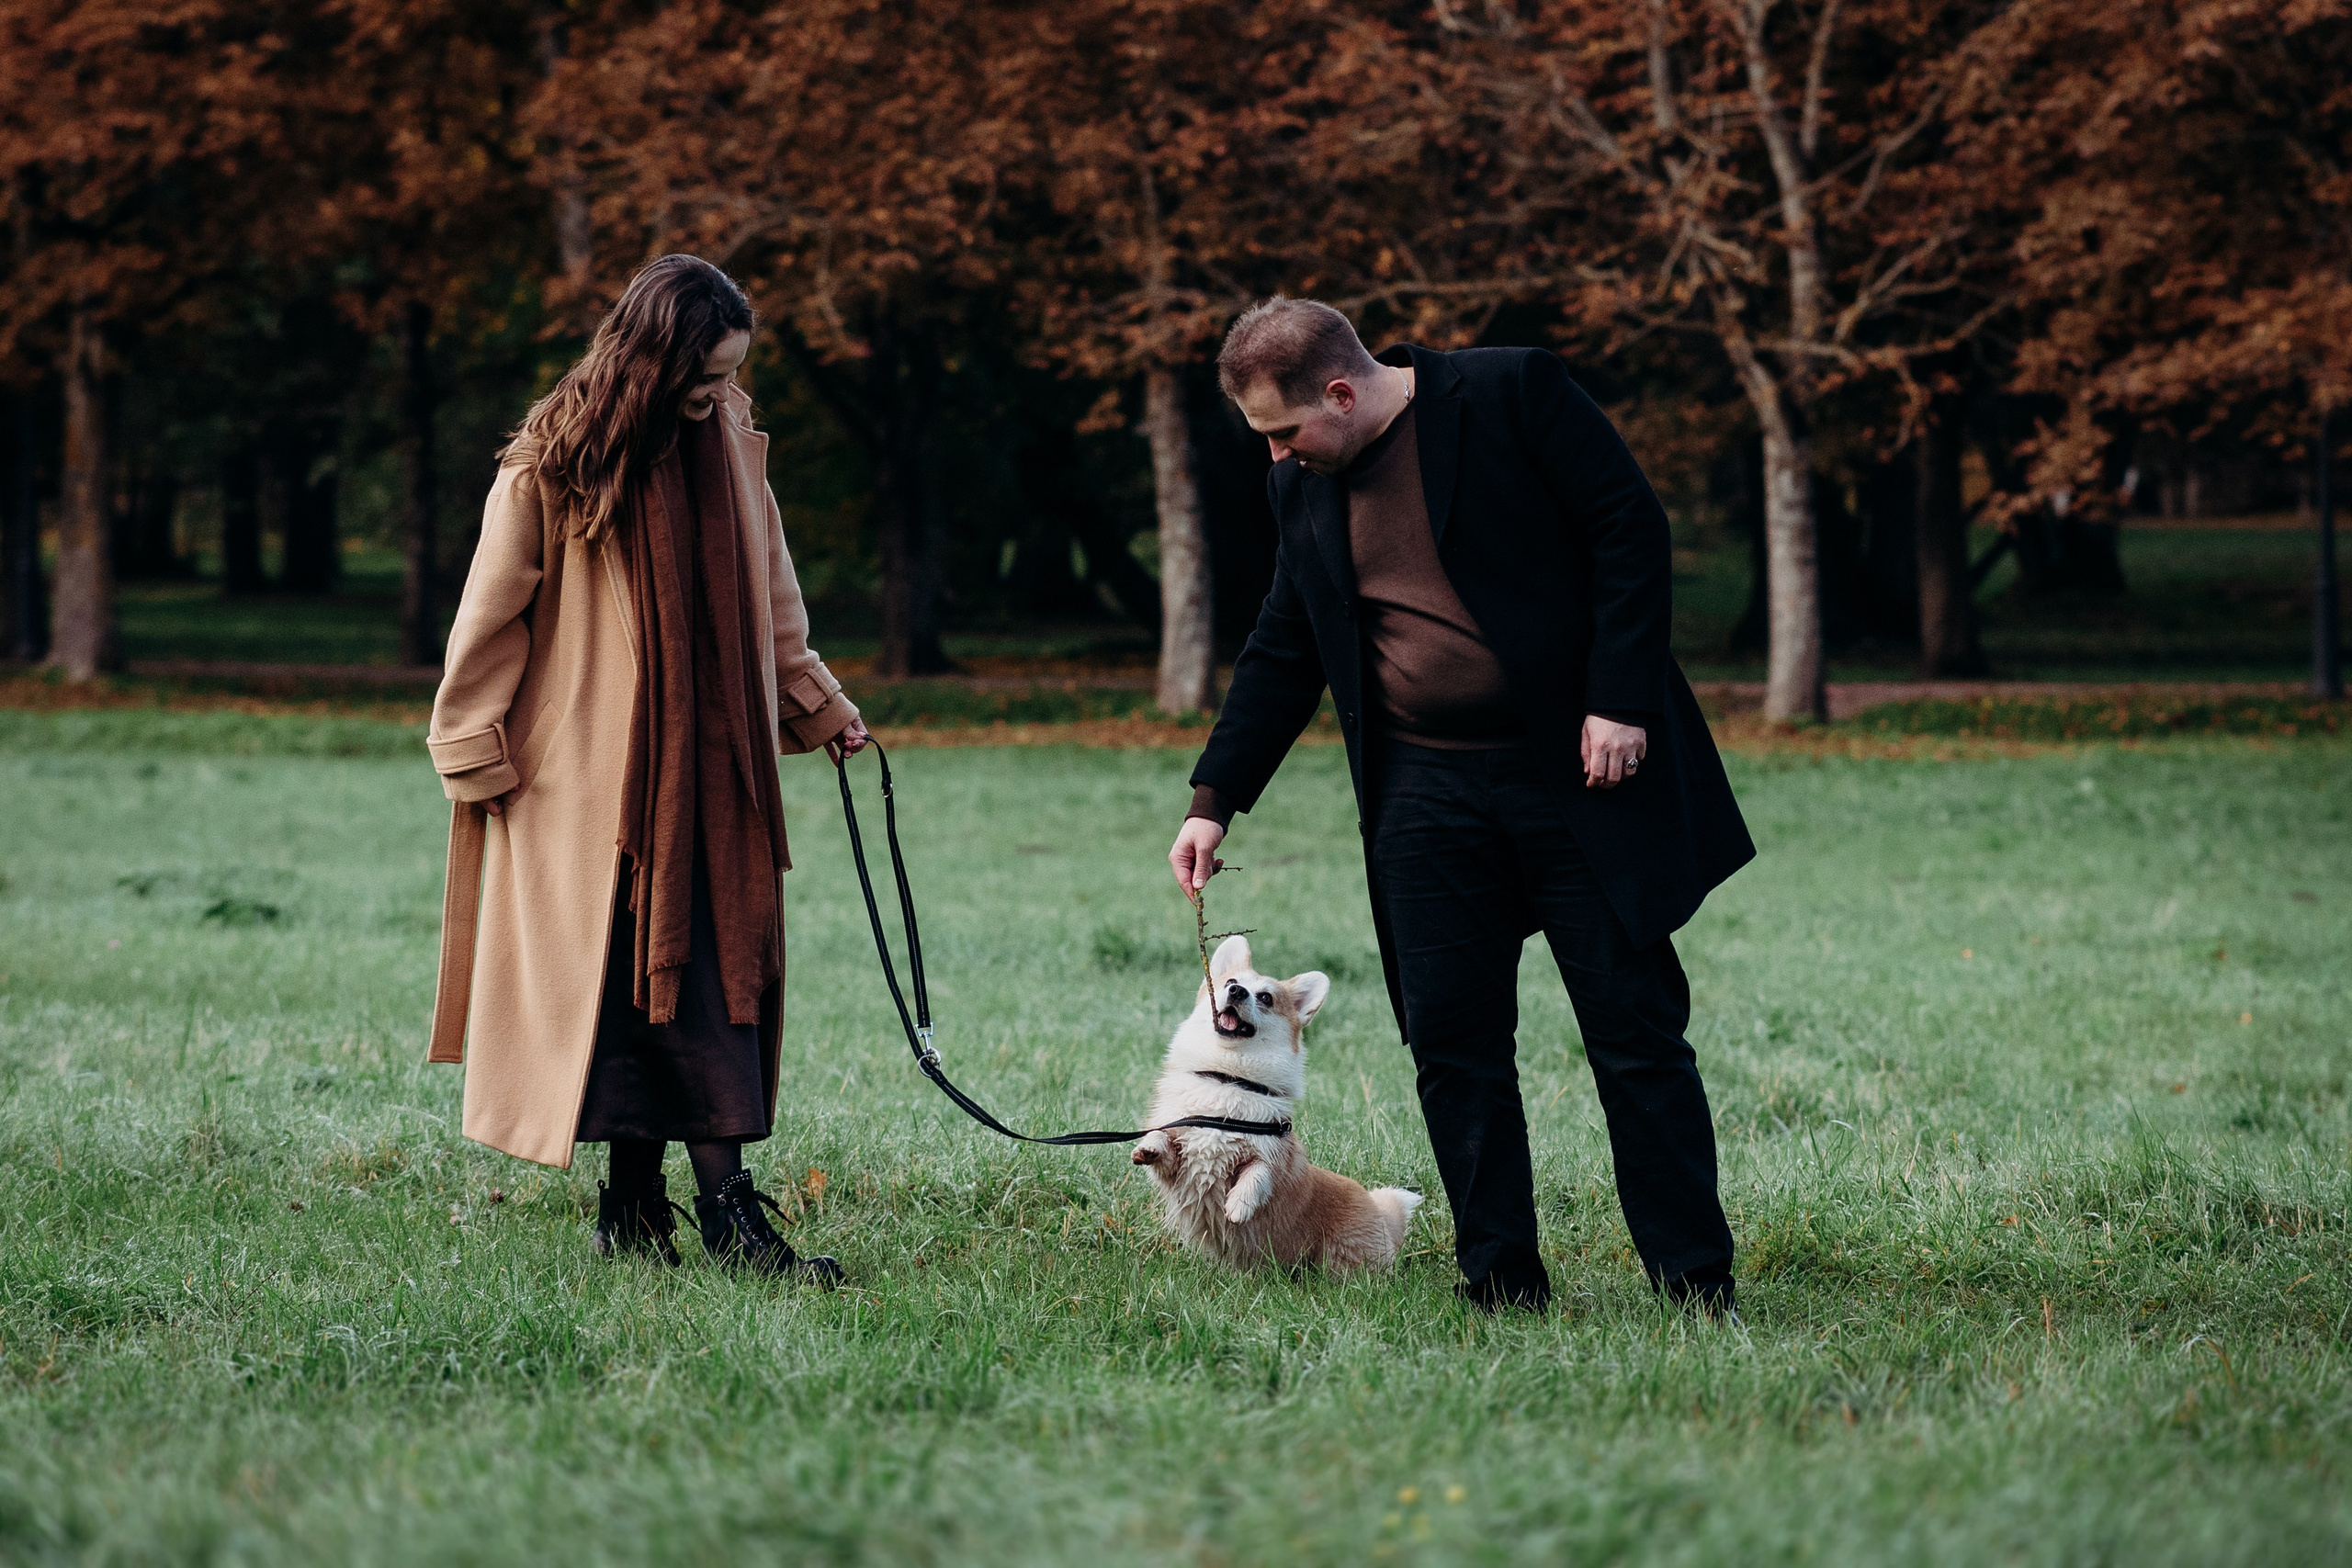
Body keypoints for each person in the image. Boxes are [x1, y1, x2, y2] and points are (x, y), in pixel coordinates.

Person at [1168, 299, 1755, 1314]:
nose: (1272, 455)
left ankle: (1693, 1282)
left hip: (1577, 775)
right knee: (1451, 1043)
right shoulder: (1302, 482)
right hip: (1422, 795)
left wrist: (1617, 698)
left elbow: (1628, 527)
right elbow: (1286, 636)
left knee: (1633, 1033)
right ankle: (1499, 1280)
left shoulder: (1510, 392)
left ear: (1342, 393)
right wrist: (1215, 797)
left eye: (1282, 430)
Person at [424, 254, 868, 1281]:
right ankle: (680, 1212)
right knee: (629, 996)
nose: (720, 394)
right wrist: (474, 755)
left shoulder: (732, 452)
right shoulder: (551, 466)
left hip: (720, 783)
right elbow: (486, 627)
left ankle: (688, 1213)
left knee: (707, 986)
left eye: (728, 375)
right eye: (705, 377)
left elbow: (776, 607)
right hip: (590, 794)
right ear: (650, 361)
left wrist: (821, 709)